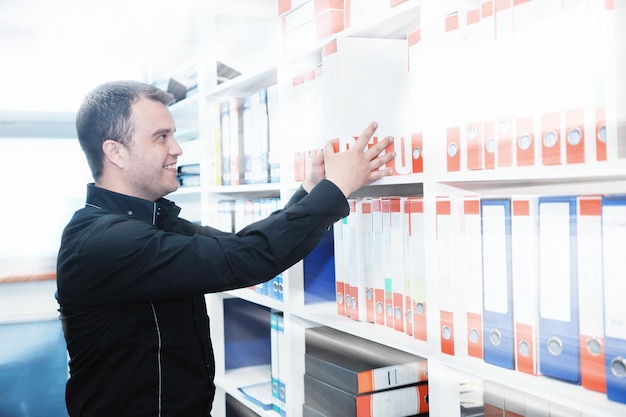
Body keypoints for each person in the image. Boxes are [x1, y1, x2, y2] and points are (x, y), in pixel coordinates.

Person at [55, 80, 395, 417]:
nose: (177, 148)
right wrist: (336, 187)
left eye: (173, 134)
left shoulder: (151, 222)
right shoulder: (104, 242)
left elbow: (241, 245)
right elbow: (247, 259)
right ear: (116, 152)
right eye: (161, 137)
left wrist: (311, 190)